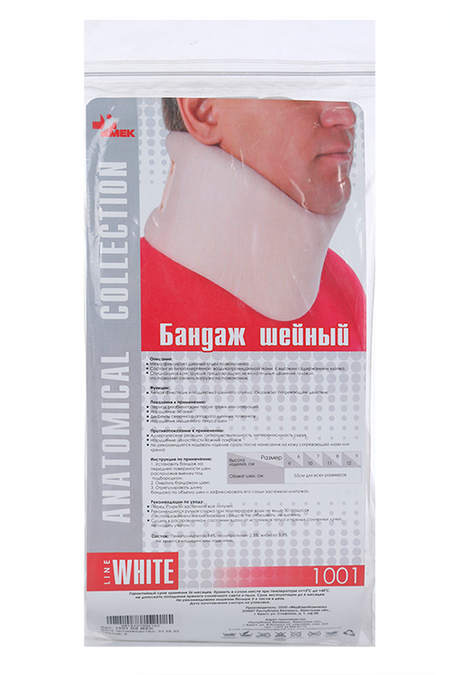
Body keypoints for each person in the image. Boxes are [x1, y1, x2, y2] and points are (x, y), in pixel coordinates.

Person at [141, 98, 365, 351]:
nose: (347, 116)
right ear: (203, 111)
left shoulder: (344, 291)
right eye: (301, 90)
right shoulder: (126, 302)